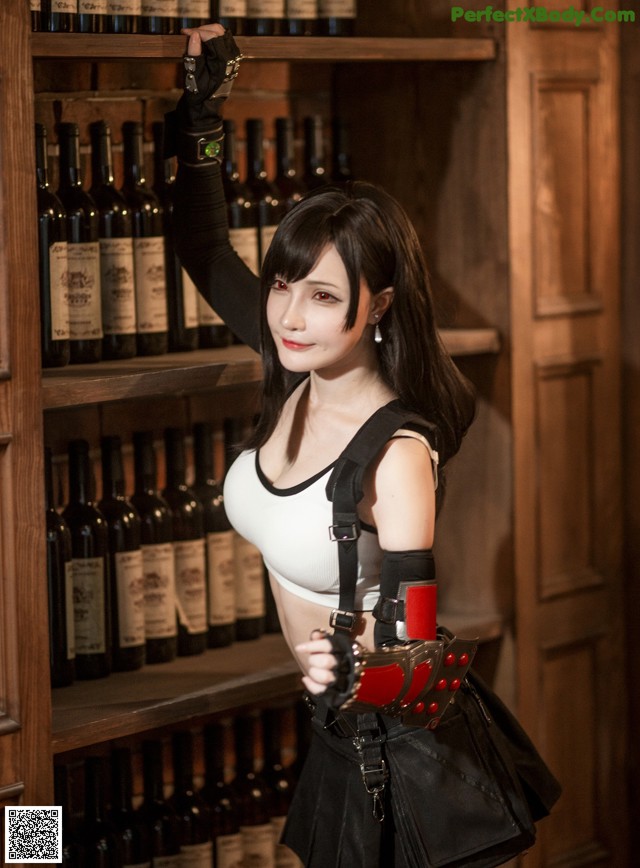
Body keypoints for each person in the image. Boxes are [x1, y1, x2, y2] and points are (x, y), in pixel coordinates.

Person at [169, 24, 476, 867]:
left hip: (385, 735)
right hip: (329, 723)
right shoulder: (291, 357)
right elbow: (199, 247)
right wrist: (202, 111)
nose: (289, 314)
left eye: (323, 294)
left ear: (377, 306)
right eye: (281, 285)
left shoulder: (397, 451)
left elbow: (418, 650)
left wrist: (352, 666)